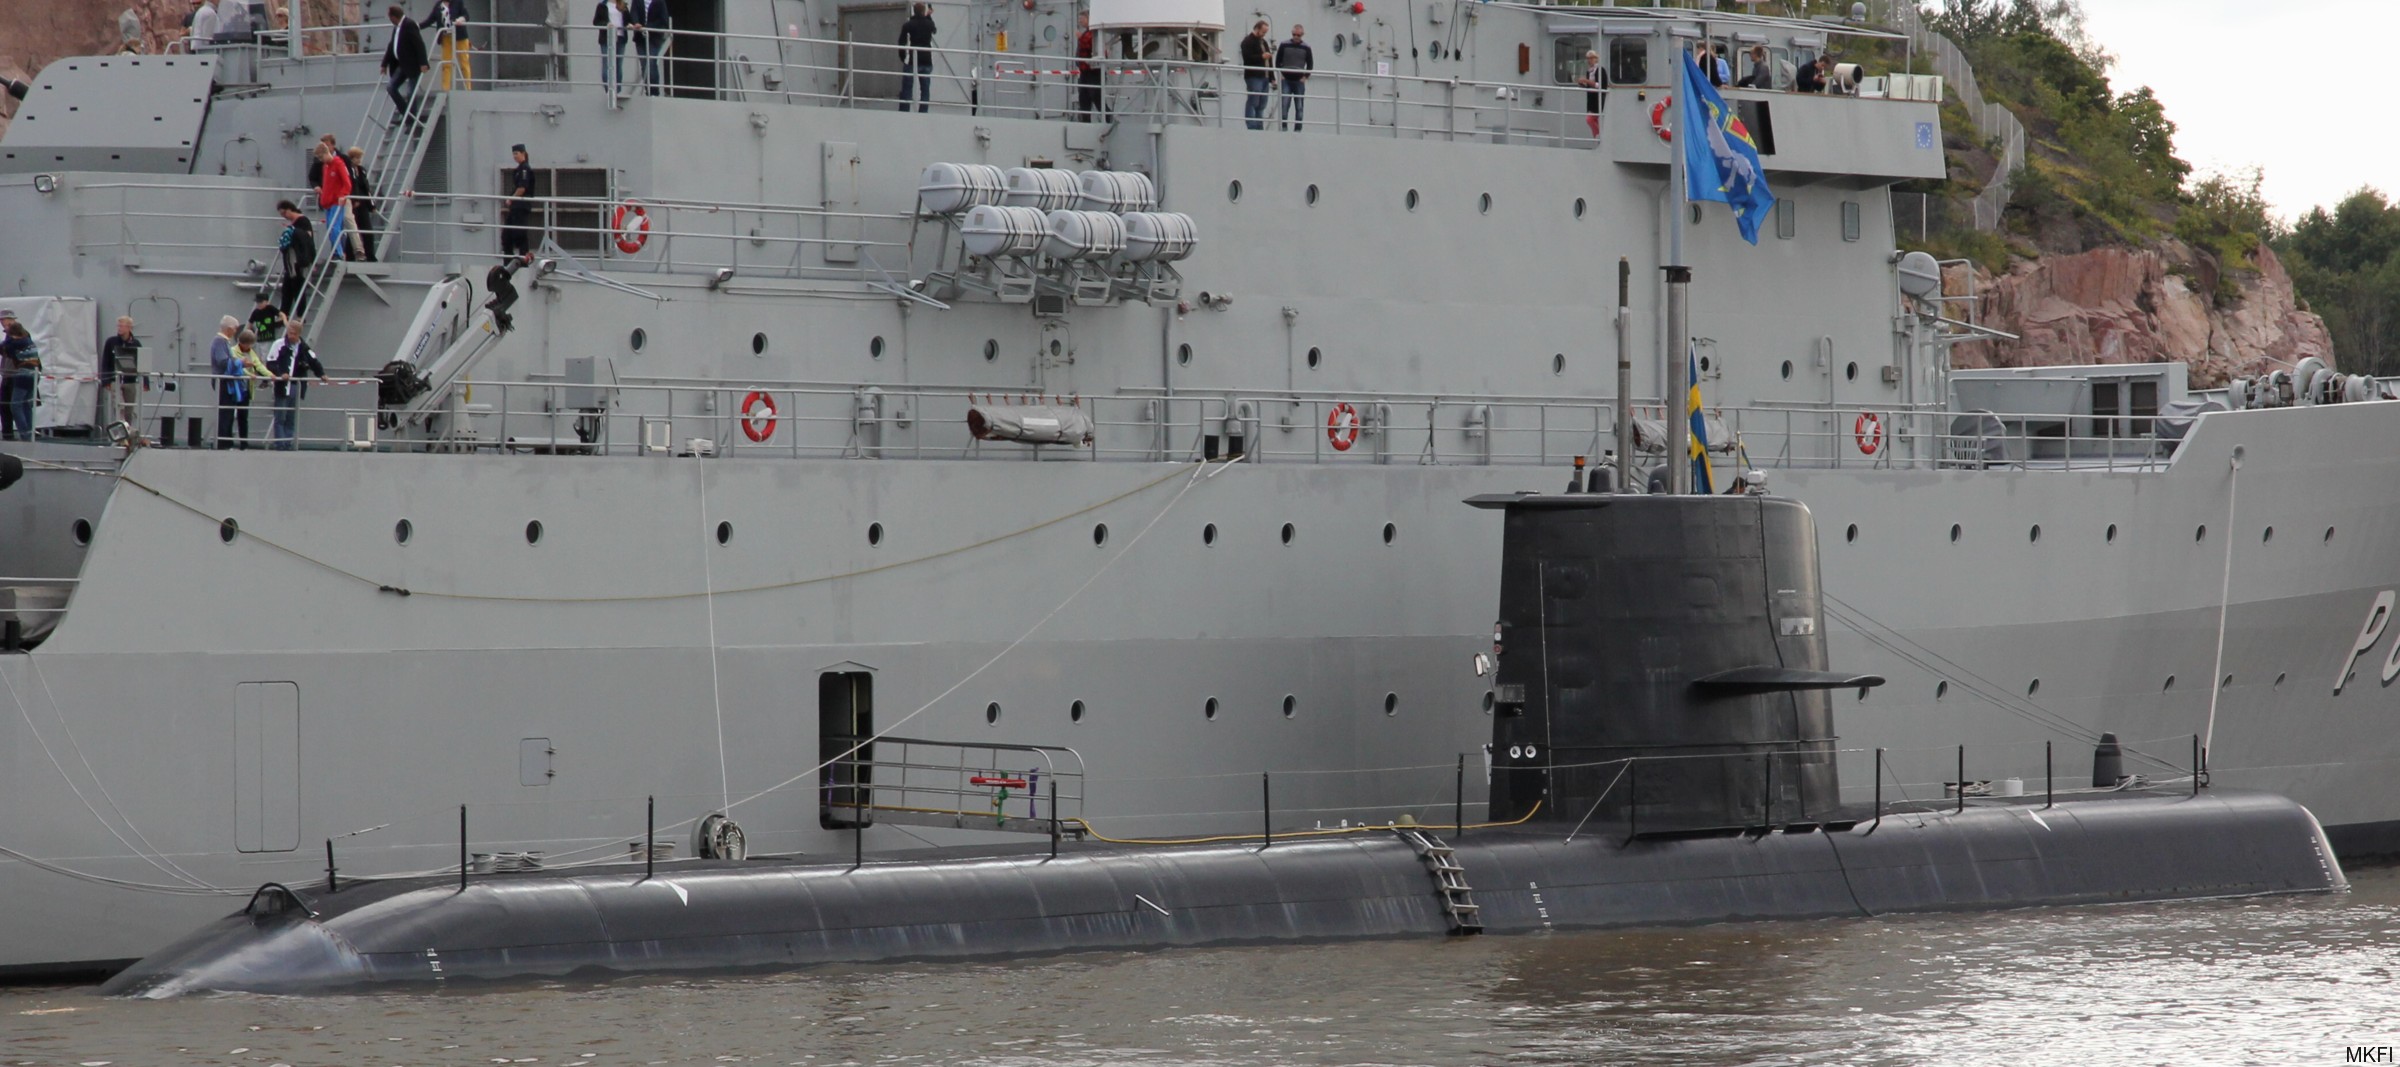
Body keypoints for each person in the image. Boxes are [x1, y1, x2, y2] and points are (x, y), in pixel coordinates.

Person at [264, 317, 327, 450]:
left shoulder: (303, 347)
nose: (290, 336)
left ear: (299, 334)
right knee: (280, 416)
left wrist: (321, 374)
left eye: (293, 333)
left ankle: (288, 443)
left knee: (291, 417)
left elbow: (314, 361)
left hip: (296, 386)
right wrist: (281, 374)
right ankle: (280, 444)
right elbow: (270, 363)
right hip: (282, 386)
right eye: (289, 332)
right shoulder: (279, 344)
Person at [380, 4, 430, 122]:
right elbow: (392, 45)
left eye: (389, 17)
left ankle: (411, 120)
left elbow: (419, 44)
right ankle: (408, 116)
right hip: (401, 65)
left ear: (393, 17)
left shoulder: (409, 25)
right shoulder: (397, 27)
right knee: (391, 87)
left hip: (412, 65)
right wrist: (384, 63)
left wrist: (423, 63)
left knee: (410, 93)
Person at [210, 316, 251, 449]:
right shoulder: (220, 341)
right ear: (228, 329)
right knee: (225, 413)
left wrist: (241, 364)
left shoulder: (223, 341)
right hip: (223, 382)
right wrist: (240, 362)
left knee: (228, 412)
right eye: (234, 329)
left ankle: (226, 441)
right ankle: (223, 443)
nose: (235, 332)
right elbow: (222, 361)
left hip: (226, 382)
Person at [99, 315, 144, 432]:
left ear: (129, 327)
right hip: (115, 380)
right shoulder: (111, 342)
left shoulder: (136, 344)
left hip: (130, 381)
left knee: (129, 409)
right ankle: (119, 432)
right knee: (119, 407)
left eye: (122, 326)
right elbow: (106, 361)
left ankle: (128, 431)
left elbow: (142, 363)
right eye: (118, 325)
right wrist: (106, 380)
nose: (119, 328)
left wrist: (146, 382)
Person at [275, 200, 317, 314]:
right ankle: (283, 314)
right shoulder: (293, 225)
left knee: (297, 288)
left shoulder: (303, 221)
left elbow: (309, 242)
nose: (284, 217)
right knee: (286, 289)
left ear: (289, 209)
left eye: (284, 213)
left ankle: (299, 315)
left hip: (299, 261)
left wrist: (311, 261)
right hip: (291, 262)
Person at [0, 318, 39, 442]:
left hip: (23, 374)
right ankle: (30, 433)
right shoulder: (27, 340)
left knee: (15, 406)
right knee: (26, 405)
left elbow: (5, 349)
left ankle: (25, 435)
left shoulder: (16, 343)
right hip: (34, 374)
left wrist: (8, 336)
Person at [316, 143, 354, 261]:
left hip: (337, 202)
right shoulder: (326, 167)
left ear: (327, 153)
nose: (322, 161)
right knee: (330, 227)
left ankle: (340, 253)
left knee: (335, 227)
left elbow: (347, 183)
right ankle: (336, 252)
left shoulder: (338, 164)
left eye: (322, 157)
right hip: (328, 203)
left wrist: (343, 195)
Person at [423, 0, 472, 90]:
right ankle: (445, 89)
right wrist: (417, 26)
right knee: (446, 64)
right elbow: (429, 20)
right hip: (446, 37)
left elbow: (466, 16)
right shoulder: (438, 5)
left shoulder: (458, 2)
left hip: (460, 37)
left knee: (464, 63)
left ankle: (468, 88)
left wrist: (460, 20)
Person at [895, 2, 934, 113]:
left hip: (913, 60)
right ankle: (923, 111)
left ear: (914, 11)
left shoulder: (908, 25)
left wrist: (902, 57)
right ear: (923, 11)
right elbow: (934, 29)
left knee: (907, 88)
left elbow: (901, 42)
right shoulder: (929, 24)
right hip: (926, 60)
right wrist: (929, 16)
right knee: (925, 89)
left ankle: (904, 110)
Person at [345, 146, 380, 262]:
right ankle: (350, 256)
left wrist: (372, 205)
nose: (359, 160)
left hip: (363, 204)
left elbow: (366, 189)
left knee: (367, 230)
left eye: (359, 158)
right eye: (356, 158)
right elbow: (349, 186)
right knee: (353, 231)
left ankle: (370, 255)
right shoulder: (347, 170)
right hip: (353, 204)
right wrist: (354, 200)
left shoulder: (362, 170)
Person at [1274, 25, 1311, 132]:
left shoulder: (1306, 47)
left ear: (1302, 35)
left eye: (1298, 35)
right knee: (1285, 104)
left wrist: (1305, 77)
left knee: (1299, 105)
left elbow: (1310, 64)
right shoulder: (1284, 45)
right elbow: (1278, 61)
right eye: (1294, 34)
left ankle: (1298, 129)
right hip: (1286, 79)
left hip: (1299, 80)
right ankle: (1284, 127)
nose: (1296, 37)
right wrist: (1280, 74)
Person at [500, 143, 535, 256]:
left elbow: (522, 188)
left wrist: (511, 199)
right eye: (513, 154)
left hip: (521, 206)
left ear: (523, 153)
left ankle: (523, 257)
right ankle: (508, 258)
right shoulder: (520, 169)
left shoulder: (525, 169)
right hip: (516, 207)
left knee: (519, 233)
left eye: (516, 153)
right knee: (507, 235)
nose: (514, 156)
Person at [629, 0, 669, 95]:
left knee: (651, 62)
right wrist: (636, 23)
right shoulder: (637, 1)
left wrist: (646, 27)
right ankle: (649, 90)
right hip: (640, 38)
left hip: (654, 38)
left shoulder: (660, 2)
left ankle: (654, 92)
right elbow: (633, 13)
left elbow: (663, 20)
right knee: (644, 65)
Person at [1238, 20, 1271, 131]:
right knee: (1253, 101)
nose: (1264, 34)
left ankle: (1259, 125)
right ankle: (1251, 125)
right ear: (1257, 29)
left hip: (1265, 76)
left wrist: (1272, 77)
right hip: (1254, 76)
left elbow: (1269, 61)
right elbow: (1247, 58)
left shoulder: (1264, 42)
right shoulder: (1247, 42)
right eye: (1263, 32)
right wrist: (1262, 57)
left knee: (1262, 103)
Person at [591, 0, 627, 95]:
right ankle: (609, 90)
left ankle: (618, 90)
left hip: (620, 37)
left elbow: (628, 20)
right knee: (607, 63)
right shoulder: (602, 5)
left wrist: (629, 24)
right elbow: (596, 21)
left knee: (618, 65)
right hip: (606, 38)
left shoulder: (622, 4)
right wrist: (606, 24)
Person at [1072, 12, 1103, 123]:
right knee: (1083, 96)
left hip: (1093, 71)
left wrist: (1081, 38)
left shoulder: (1093, 33)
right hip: (1085, 71)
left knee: (1095, 95)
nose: (1080, 20)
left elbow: (1092, 46)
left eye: (1082, 18)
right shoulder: (1087, 33)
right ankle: (1085, 121)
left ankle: (1108, 117)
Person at [1576, 47, 1607, 138]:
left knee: (1590, 119)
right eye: (1588, 58)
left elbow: (1600, 85)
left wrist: (1586, 80)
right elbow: (1590, 86)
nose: (1590, 60)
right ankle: (1597, 137)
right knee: (1593, 120)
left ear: (1596, 59)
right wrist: (1582, 84)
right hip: (1592, 101)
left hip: (1599, 100)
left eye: (1592, 58)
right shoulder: (1589, 72)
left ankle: (1600, 137)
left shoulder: (1601, 70)